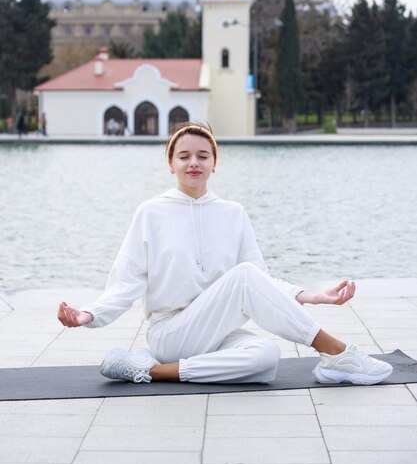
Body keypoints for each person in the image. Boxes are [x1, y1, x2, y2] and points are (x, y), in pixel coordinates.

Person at [57, 123, 393, 386]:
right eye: (184, 155)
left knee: (267, 356)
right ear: (170, 163)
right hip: (171, 332)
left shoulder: (233, 213)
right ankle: (337, 352)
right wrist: (88, 314)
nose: (194, 162)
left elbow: (261, 280)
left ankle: (149, 370)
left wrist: (313, 296)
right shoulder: (150, 213)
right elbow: (126, 282)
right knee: (243, 277)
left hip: (217, 331)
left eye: (203, 155)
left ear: (215, 163)